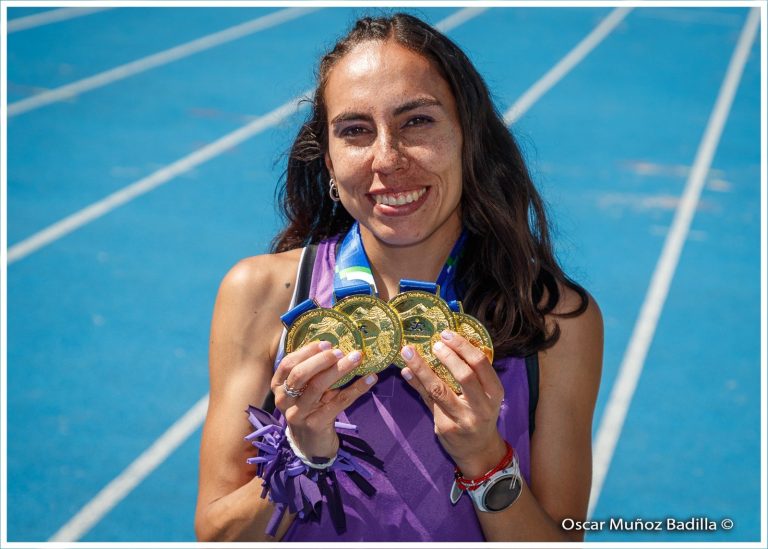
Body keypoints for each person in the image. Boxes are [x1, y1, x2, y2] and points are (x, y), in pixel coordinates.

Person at [194, 12, 603, 542]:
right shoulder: (261, 293)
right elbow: (216, 535)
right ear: (329, 160)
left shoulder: (554, 321)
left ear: (469, 138)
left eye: (417, 122)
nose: (387, 159)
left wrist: (483, 457)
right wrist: (300, 454)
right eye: (356, 131)